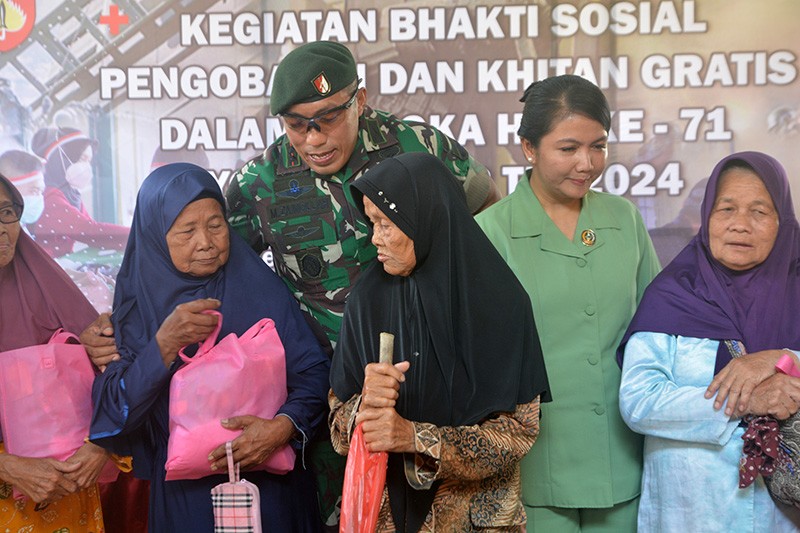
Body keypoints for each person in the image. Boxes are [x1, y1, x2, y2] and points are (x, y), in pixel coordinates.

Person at [224, 40, 499, 527]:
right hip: (332, 404)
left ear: (361, 100)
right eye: (296, 125)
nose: (313, 139)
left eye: (328, 118)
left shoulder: (419, 147)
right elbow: (220, 270)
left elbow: (489, 220)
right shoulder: (258, 182)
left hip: (434, 387)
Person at [88, 163, 330, 532]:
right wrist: (164, 345)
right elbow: (113, 415)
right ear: (155, 236)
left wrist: (282, 428)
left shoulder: (258, 287)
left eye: (216, 225)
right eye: (187, 230)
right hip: (187, 503)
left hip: (273, 492)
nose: (206, 241)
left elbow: (313, 373)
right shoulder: (136, 309)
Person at [476, 74, 660, 532]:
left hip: (622, 456)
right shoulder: (491, 232)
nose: (586, 163)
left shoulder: (623, 220)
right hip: (537, 465)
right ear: (529, 148)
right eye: (568, 148)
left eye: (598, 146)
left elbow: (657, 330)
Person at [329, 152, 551, 531]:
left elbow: (518, 434)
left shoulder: (500, 301)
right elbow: (337, 426)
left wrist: (416, 438)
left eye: (386, 224)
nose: (374, 238)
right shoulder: (368, 299)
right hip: (386, 518)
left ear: (425, 218)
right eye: (372, 223)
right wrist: (367, 404)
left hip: (474, 520)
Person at [617, 151, 800, 531]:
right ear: (706, 217)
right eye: (726, 209)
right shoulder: (672, 294)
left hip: (784, 514)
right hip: (691, 510)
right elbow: (638, 400)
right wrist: (743, 402)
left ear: (782, 221)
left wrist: (781, 358)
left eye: (759, 212)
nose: (740, 225)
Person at [0, 172, 109, 532]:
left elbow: (115, 388)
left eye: (6, 212)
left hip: (65, 496)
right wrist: (8, 466)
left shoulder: (48, 291)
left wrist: (100, 446)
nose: (2, 228)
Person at [30, 127, 129, 258]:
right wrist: (140, 235)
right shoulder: (50, 197)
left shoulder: (71, 194)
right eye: (82, 159)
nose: (86, 167)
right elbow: (90, 231)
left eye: (89, 161)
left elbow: (91, 227)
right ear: (61, 159)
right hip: (46, 269)